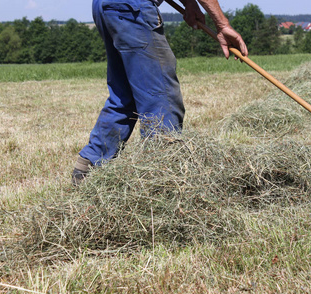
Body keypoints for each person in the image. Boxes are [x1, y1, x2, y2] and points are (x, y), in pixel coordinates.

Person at [72, 0, 248, 185]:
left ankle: (88, 167)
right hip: (132, 8)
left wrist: (189, 3)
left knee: (125, 95)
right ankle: (162, 179)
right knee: (161, 97)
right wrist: (222, 25)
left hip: (107, 6)